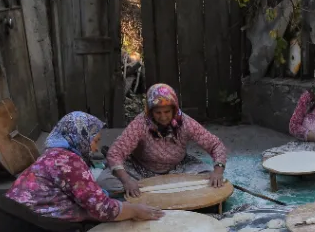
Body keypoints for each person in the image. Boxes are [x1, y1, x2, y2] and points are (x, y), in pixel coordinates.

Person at [0, 111, 163, 232]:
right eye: (95, 141)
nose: (95, 148)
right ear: (79, 137)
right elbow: (103, 209)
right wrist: (135, 210)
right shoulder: (68, 162)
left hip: (8, 226)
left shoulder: (54, 155)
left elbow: (86, 199)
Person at [97, 83, 228, 196]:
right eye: (158, 113)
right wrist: (126, 180)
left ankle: (150, 191)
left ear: (174, 110)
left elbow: (216, 145)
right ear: (150, 111)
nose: (163, 117)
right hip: (140, 169)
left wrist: (218, 171)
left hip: (178, 168)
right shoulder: (140, 123)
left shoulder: (186, 123)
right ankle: (152, 191)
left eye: (167, 112)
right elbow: (115, 153)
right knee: (104, 182)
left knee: (209, 177)